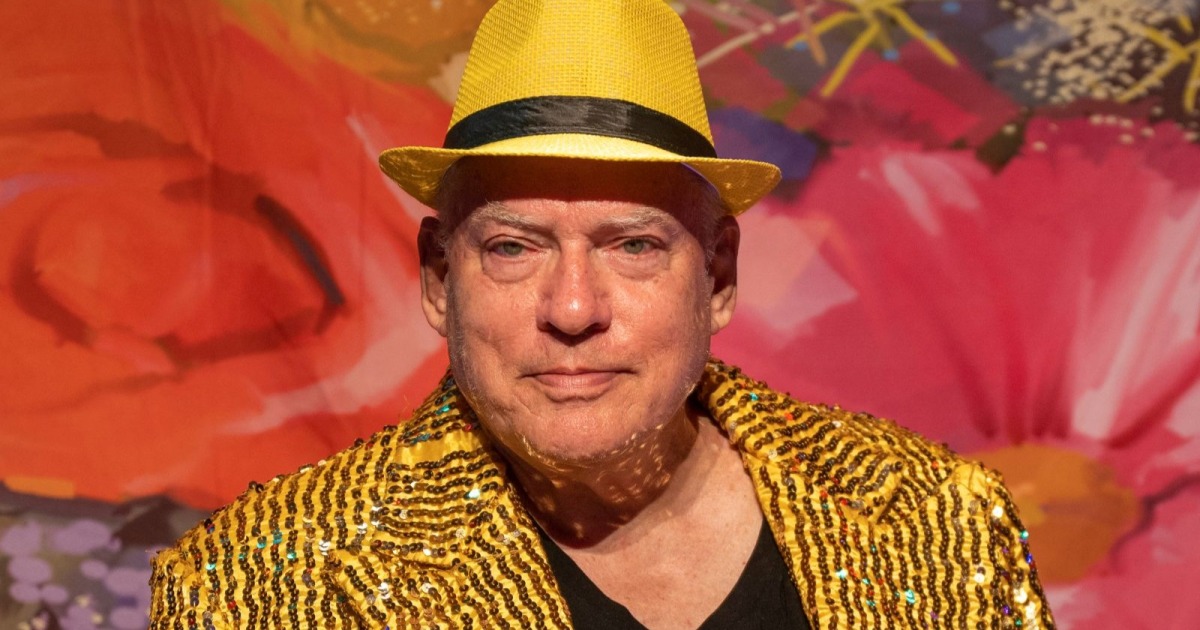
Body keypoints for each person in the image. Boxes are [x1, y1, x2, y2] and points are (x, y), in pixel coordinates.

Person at [149, 0, 1054, 628]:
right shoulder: (264, 585)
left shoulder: (933, 519)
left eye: (634, 245)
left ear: (720, 276)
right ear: (438, 279)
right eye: (514, 247)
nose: (574, 309)